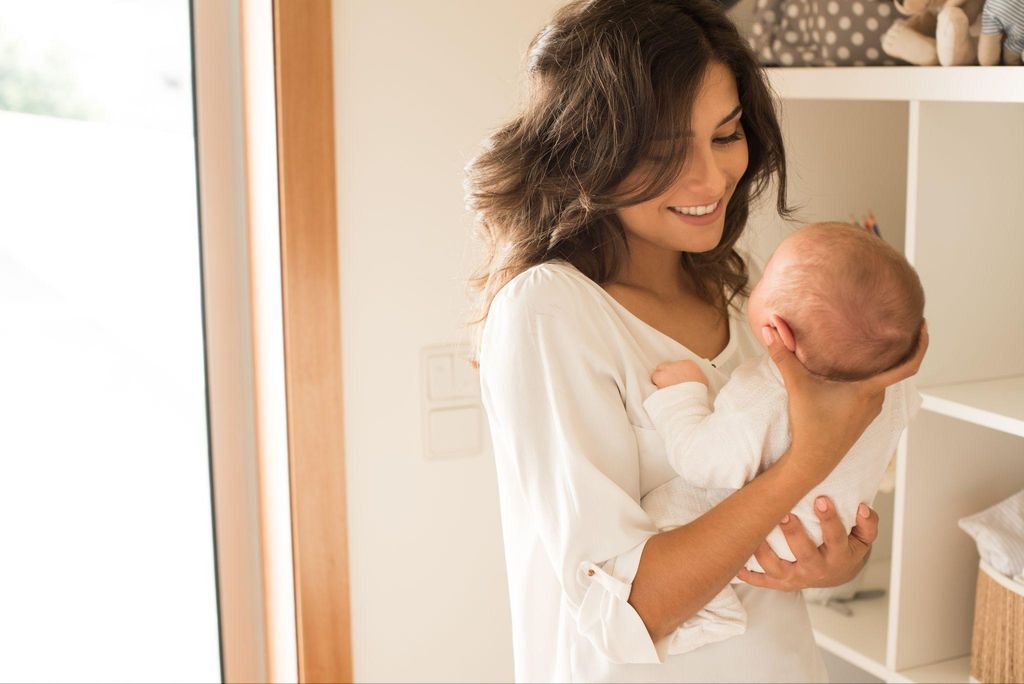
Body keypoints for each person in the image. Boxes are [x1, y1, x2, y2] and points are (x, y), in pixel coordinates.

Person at [465, 1, 928, 681]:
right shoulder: (549, 313)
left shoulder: (746, 294)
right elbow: (630, 609)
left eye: (726, 134)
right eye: (663, 154)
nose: (710, 180)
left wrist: (835, 556)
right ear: (588, 149)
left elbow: (783, 536)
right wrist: (807, 460)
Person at [639, 222, 926, 654]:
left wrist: (682, 397)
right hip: (824, 536)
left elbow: (701, 459)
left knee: (660, 511)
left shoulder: (766, 390)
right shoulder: (895, 389)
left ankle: (712, 611)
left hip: (765, 545)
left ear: (778, 329)